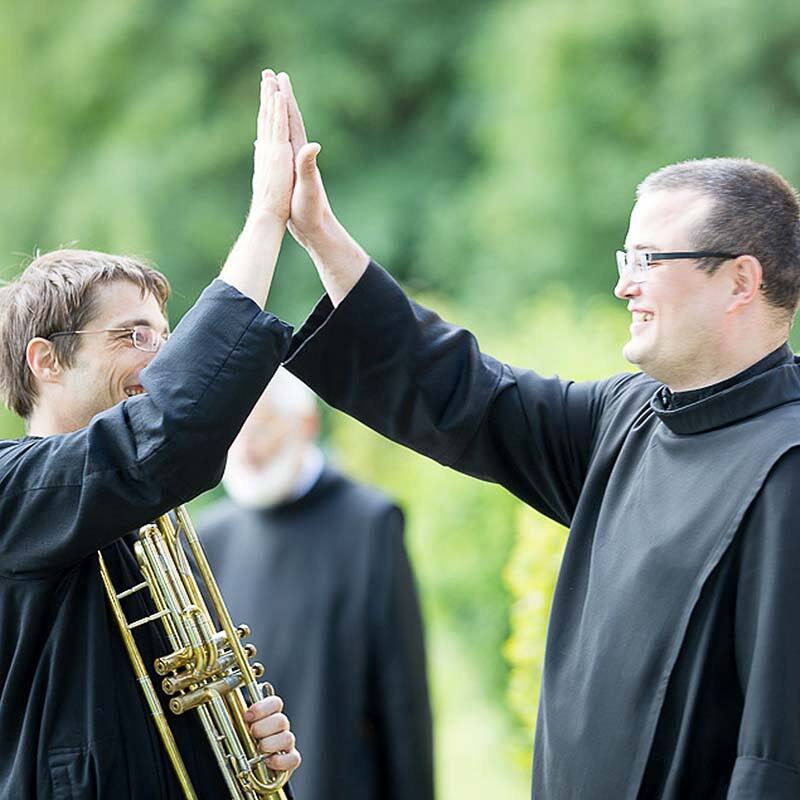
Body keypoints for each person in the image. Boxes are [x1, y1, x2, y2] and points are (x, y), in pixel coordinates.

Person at [273, 74, 800, 798]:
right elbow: (471, 396)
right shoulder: (628, 418)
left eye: (649, 260)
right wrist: (320, 235)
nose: (625, 286)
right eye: (626, 260)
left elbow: (778, 757)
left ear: (741, 281)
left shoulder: (788, 466)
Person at [0, 70, 301, 799]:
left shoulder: (140, 516)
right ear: (46, 359)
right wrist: (265, 218)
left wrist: (240, 742)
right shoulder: (14, 487)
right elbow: (165, 432)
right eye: (133, 335)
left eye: (165, 336)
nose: (162, 358)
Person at [197, 367, 434, 800]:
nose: (248, 447)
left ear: (307, 424)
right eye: (237, 430)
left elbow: (402, 699)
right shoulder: (206, 540)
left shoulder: (369, 523)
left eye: (263, 427)